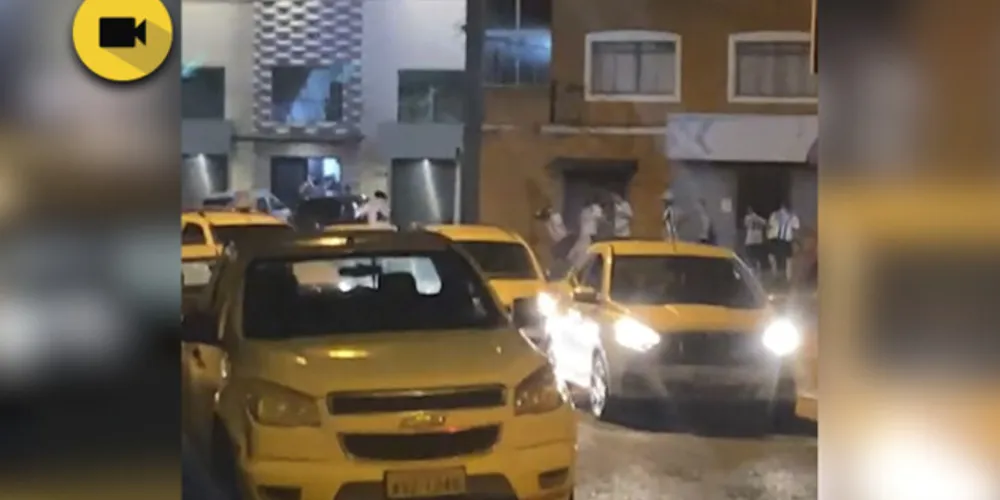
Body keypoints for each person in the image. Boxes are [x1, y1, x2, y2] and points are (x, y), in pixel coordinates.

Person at [535, 206, 572, 277]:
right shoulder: (548, 223)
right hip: (559, 241)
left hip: (562, 240)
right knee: (555, 257)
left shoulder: (555, 218)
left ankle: (552, 272)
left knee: (557, 257)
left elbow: (558, 228)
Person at [767, 202, 800, 282]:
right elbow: (797, 226)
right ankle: (787, 277)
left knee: (773, 257)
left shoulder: (775, 214)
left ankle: (776, 274)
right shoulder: (792, 216)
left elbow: (770, 225)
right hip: (785, 240)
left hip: (776, 239)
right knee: (788, 259)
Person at [568, 197, 602, 269]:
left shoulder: (584, 212)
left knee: (578, 255)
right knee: (581, 256)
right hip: (587, 236)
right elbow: (598, 218)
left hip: (586, 236)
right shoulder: (589, 212)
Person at [743, 206, 768, 272]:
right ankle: (758, 269)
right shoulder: (759, 218)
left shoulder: (747, 218)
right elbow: (766, 223)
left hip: (750, 240)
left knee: (750, 256)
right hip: (758, 240)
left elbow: (745, 225)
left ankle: (752, 269)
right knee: (758, 257)